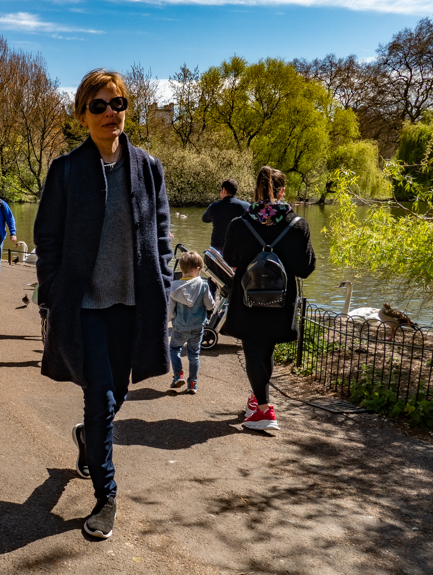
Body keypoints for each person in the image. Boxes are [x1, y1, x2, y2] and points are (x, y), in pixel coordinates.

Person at [34, 69, 173, 539]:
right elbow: (47, 237)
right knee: (99, 396)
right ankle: (106, 495)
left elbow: (162, 233)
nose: (112, 112)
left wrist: (166, 279)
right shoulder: (66, 171)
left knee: (119, 392)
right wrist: (51, 289)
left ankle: (89, 440)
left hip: (134, 304)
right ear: (82, 115)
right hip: (86, 306)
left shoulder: (149, 168)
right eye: (100, 105)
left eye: (119, 103)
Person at [221, 166, 315, 431]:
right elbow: (306, 268)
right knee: (268, 349)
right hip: (281, 301)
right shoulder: (298, 226)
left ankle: (264, 411)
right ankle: (258, 401)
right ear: (283, 191)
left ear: (255, 191)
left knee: (253, 350)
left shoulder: (239, 224)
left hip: (248, 297)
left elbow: (230, 259)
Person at [168, 251, 214, 394]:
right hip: (197, 327)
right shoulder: (203, 285)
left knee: (174, 349)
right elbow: (210, 305)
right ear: (198, 268)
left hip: (180, 327)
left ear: (181, 269)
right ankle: (192, 383)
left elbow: (170, 310)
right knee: (194, 354)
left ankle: (178, 374)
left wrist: (169, 319)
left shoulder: (174, 287)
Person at [201, 178, 249, 253]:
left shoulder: (214, 207)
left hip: (218, 250)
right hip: (238, 251)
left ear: (224, 190)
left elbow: (204, 219)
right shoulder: (246, 206)